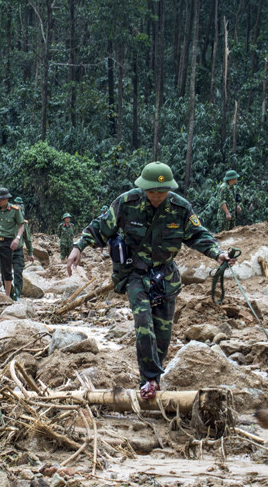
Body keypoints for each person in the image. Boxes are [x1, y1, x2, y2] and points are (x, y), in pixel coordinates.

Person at [66, 162, 239, 400]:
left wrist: (218, 253)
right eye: (152, 191)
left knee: (163, 332)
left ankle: (152, 379)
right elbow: (100, 226)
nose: (157, 196)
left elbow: (198, 235)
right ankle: (149, 379)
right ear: (143, 188)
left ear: (169, 189)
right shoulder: (127, 203)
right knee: (144, 325)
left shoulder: (180, 208)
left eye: (162, 191)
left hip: (165, 275)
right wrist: (78, 247)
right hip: (136, 274)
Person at [10, 196, 36, 300]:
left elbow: (28, 239)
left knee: (18, 273)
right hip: (6, 251)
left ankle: (17, 294)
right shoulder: (8, 222)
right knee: (5, 274)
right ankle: (9, 293)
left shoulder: (24, 224)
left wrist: (30, 253)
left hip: (18, 251)